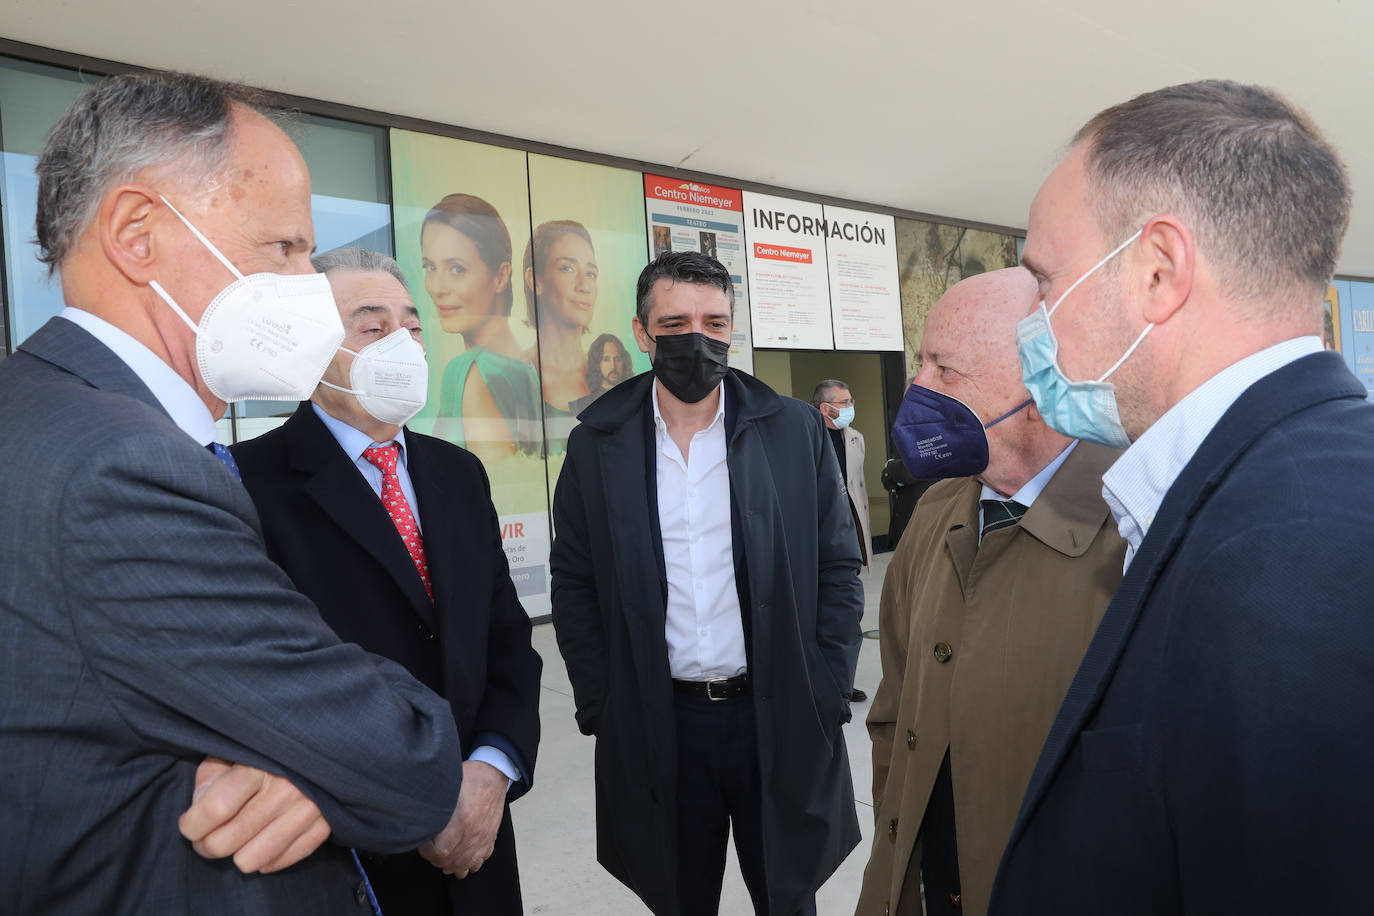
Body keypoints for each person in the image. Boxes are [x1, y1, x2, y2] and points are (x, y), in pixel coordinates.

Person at [0, 71, 464, 914]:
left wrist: (302, 764)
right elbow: (404, 758)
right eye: (283, 248)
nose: (307, 287)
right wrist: (328, 760)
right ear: (138, 234)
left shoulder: (38, 414)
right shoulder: (125, 470)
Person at [991, 80, 1369, 913]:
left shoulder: (1284, 560)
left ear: (1159, 273)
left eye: (1046, 281)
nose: (1036, 324)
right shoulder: (1283, 482)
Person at [549, 251, 864, 916]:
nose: (698, 337)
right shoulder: (598, 445)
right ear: (642, 332)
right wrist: (601, 703)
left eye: (715, 321)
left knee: (789, 897)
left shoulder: (790, 429)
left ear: (733, 328)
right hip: (662, 722)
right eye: (675, 321)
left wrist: (828, 687)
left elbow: (837, 566)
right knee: (678, 897)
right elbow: (574, 582)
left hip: (774, 715)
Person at [229, 248, 542, 915]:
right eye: (373, 327)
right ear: (311, 350)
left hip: (479, 845)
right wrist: (418, 801)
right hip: (351, 862)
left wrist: (492, 771)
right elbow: (268, 693)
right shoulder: (245, 485)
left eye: (413, 327)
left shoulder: (457, 475)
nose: (401, 344)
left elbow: (507, 641)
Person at [855, 268, 1126, 916]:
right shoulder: (933, 513)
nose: (916, 391)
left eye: (944, 371)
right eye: (920, 362)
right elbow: (895, 716)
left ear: (1040, 381)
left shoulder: (1140, 527)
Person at [423, 193, 541, 462]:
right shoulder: (525, 366)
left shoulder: (469, 372)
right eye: (430, 266)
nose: (437, 288)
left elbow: (492, 485)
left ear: (501, 276)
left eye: (456, 269)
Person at [524, 219, 597, 444]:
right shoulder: (512, 377)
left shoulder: (611, 378)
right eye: (567, 268)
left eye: (591, 273)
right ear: (535, 280)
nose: (584, 285)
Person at [812, 379, 872, 568]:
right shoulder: (808, 438)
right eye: (844, 403)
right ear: (825, 408)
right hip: (821, 524)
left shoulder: (855, 438)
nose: (850, 407)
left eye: (851, 401)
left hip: (849, 524)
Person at [569, 331, 631, 415]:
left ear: (623, 362)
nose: (613, 366)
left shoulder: (635, 399)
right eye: (606, 359)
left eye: (617, 359)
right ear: (597, 364)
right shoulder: (581, 406)